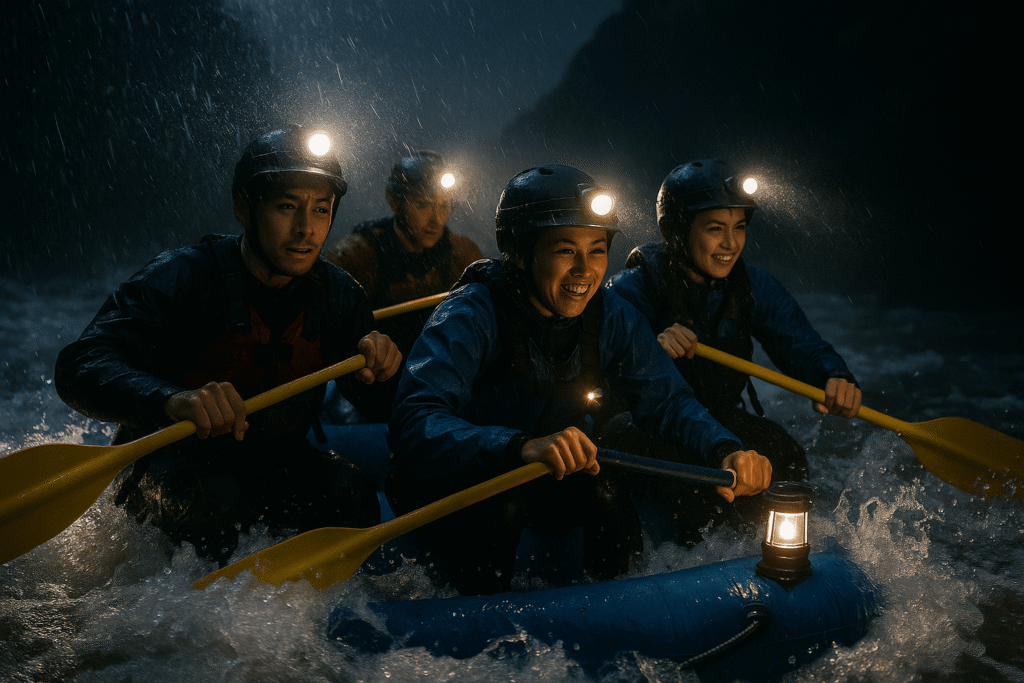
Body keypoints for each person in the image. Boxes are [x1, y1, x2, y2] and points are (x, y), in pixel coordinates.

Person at [385, 164, 771, 595]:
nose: (585, 271)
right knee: (503, 506)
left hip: (544, 470)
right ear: (521, 251)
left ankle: (620, 609)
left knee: (605, 492)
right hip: (458, 478)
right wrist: (517, 446)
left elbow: (668, 401)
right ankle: (474, 624)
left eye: (598, 250)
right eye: (566, 250)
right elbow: (415, 420)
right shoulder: (471, 312)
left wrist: (725, 448)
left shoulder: (609, 314)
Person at [54, 125, 402, 566]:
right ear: (244, 207)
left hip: (277, 463)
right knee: (218, 500)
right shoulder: (183, 277)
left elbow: (377, 402)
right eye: (286, 207)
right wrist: (172, 400)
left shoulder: (340, 296)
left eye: (320, 210)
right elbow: (79, 365)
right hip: (174, 465)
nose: (305, 229)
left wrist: (383, 373)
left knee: (351, 497)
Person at [606, 158, 862, 504]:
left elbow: (801, 344)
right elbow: (595, 380)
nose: (731, 243)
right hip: (646, 425)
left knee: (785, 456)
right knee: (690, 481)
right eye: (715, 229)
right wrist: (650, 351)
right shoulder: (628, 291)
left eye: (738, 227)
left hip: (719, 417)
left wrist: (833, 376)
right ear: (678, 231)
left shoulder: (753, 285)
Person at [325, 150, 484, 359]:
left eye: (444, 205)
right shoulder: (356, 256)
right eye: (422, 205)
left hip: (440, 364)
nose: (436, 220)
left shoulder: (463, 254)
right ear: (394, 202)